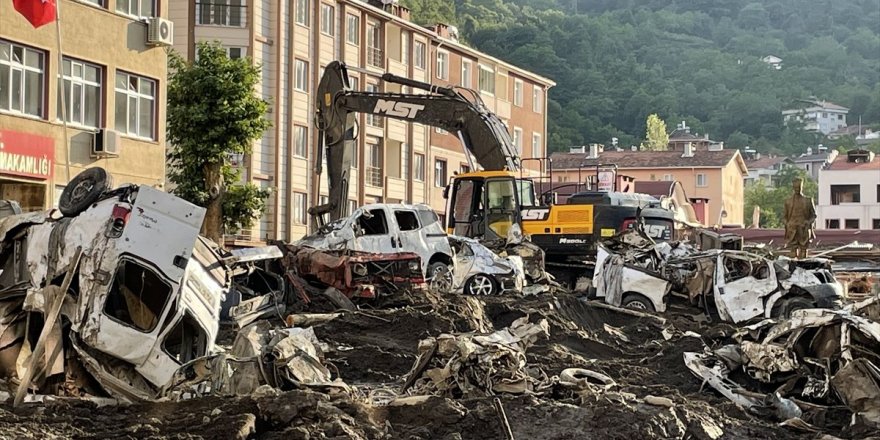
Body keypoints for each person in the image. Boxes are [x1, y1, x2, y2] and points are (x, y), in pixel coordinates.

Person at [783, 177, 816, 259]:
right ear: (793, 188)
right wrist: (787, 224)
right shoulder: (788, 201)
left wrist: (808, 222)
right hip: (792, 230)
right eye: (795, 188)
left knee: (803, 253)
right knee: (792, 254)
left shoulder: (808, 201)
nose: (797, 189)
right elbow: (784, 217)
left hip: (803, 229)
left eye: (799, 187)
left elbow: (814, 216)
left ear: (802, 187)